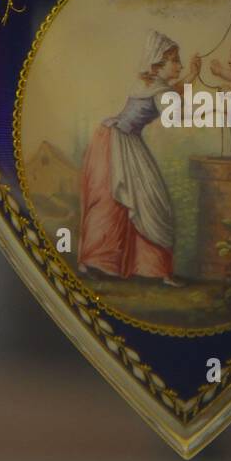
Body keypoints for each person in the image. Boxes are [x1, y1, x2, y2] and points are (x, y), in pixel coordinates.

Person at [78, 30, 200, 286]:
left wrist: (191, 76)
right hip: (119, 142)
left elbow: (170, 92)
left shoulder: (149, 83)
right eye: (175, 61)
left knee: (123, 201)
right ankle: (126, 266)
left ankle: (115, 263)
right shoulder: (157, 90)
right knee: (140, 202)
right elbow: (173, 112)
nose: (179, 65)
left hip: (113, 136)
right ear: (158, 64)